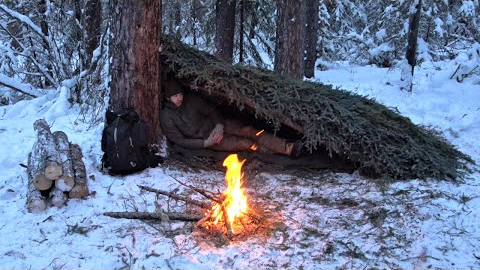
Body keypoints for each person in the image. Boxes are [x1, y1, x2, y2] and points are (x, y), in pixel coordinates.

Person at [159, 77, 302, 157]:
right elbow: (180, 141)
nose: (179, 99)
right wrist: (206, 143)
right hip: (209, 140)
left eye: (180, 95)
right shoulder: (167, 116)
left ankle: (287, 147)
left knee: (249, 131)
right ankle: (276, 151)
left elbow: (212, 110)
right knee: (245, 144)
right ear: (168, 98)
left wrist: (219, 125)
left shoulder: (191, 100)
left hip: (218, 125)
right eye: (174, 96)